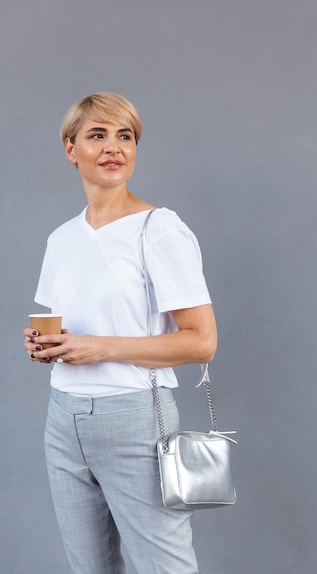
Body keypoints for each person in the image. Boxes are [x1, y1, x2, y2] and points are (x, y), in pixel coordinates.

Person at [22, 92, 217, 574]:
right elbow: (70, 326)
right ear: (71, 149)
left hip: (135, 421)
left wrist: (99, 348)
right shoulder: (62, 238)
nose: (114, 147)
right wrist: (48, 347)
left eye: (125, 136)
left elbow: (201, 341)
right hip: (63, 421)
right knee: (90, 568)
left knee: (163, 567)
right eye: (97, 135)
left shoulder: (159, 230)